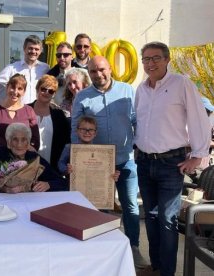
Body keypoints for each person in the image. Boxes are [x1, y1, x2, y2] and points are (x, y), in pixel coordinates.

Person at [134, 41, 211, 276]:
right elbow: (139, 122)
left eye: (156, 58)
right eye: (146, 59)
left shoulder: (181, 84)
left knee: (167, 220)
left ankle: (167, 272)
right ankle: (156, 266)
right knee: (152, 218)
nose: (151, 63)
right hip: (145, 162)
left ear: (167, 60)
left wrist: (198, 156)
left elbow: (199, 118)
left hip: (171, 164)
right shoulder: (141, 89)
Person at [71, 56, 148, 269]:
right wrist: (79, 158)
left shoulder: (126, 91)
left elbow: (136, 121)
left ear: (110, 68)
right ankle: (103, 249)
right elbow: (75, 128)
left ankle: (132, 248)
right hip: (97, 164)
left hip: (125, 161)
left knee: (131, 207)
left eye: (102, 70)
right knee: (101, 208)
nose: (98, 75)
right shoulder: (83, 97)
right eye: (93, 71)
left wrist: (139, 146)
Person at [0, 122, 67, 193]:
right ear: (8, 142)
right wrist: (4, 189)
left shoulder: (34, 158)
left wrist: (48, 185)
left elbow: (61, 182)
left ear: (28, 143)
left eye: (24, 139)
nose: (19, 144)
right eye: (15, 139)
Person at [0, 73, 40, 151]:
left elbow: (35, 138)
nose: (15, 92)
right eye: (13, 87)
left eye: (20, 89)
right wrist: (10, 147)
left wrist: (27, 148)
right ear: (7, 87)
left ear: (24, 92)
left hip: (23, 158)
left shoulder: (29, 110)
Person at [28, 75, 70, 173]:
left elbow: (64, 140)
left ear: (54, 94)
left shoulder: (59, 114)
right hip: (27, 165)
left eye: (51, 91)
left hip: (52, 167)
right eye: (43, 89)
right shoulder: (26, 110)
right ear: (37, 89)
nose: (46, 93)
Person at [58, 116, 120, 181]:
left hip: (95, 185)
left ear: (95, 133)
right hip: (74, 184)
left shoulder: (101, 151)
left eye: (91, 130)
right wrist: (66, 169)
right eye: (83, 129)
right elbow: (61, 163)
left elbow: (105, 169)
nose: (87, 132)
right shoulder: (69, 148)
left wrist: (113, 174)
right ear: (77, 131)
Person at [0, 35, 49, 104]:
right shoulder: (12, 68)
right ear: (24, 49)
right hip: (19, 110)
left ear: (40, 51)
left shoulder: (45, 68)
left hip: (38, 110)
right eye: (30, 48)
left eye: (36, 49)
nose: (33, 51)